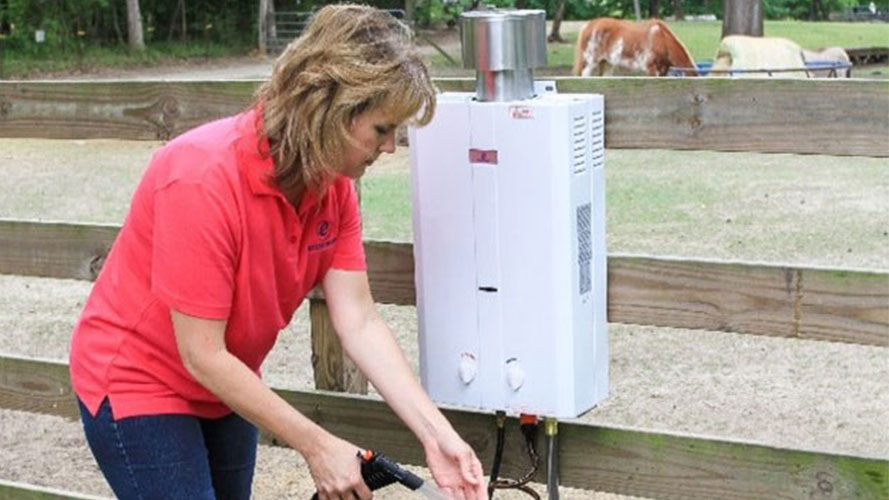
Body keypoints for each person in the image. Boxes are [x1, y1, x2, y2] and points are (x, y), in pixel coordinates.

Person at [69, 5, 487, 500]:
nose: (391, 147)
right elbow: (200, 352)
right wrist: (317, 445)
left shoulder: (333, 188)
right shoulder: (201, 176)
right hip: (140, 380)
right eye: (381, 129)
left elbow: (359, 320)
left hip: (227, 380)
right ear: (330, 105)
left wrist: (438, 436)